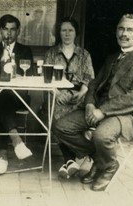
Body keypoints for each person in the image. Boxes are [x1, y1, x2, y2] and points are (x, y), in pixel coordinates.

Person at [53, 14, 133, 191]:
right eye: (121, 29)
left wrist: (102, 111)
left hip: (129, 115)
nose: (124, 33)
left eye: (130, 30)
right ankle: (101, 159)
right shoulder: (112, 57)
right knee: (61, 126)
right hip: (98, 109)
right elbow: (94, 84)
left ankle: (109, 167)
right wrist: (89, 104)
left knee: (101, 135)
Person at [0, 14, 35, 174]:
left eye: (12, 30)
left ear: (18, 32)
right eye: (5, 29)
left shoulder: (25, 50)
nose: (8, 34)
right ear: (0, 30)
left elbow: (29, 76)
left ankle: (2, 155)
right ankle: (15, 142)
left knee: (2, 100)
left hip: (18, 97)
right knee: (0, 98)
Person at [43, 17, 94, 178]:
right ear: (59, 33)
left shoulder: (84, 54)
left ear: (76, 33)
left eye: (70, 30)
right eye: (63, 30)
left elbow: (89, 78)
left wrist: (82, 93)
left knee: (68, 120)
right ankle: (71, 160)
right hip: (57, 94)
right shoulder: (51, 53)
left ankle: (71, 161)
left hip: (79, 96)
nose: (67, 34)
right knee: (56, 116)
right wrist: (57, 93)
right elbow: (46, 76)